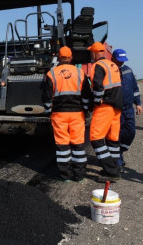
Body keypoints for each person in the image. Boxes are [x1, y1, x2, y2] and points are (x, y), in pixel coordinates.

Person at [42, 46, 92, 183]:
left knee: (62, 145)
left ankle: (65, 175)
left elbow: (46, 96)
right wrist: (86, 110)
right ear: (70, 58)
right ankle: (80, 175)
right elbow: (86, 94)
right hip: (77, 113)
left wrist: (48, 112)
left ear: (59, 58)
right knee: (78, 144)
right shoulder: (80, 72)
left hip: (59, 114)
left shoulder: (51, 73)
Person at [87, 42, 122, 182]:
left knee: (96, 138)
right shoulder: (112, 65)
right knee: (112, 138)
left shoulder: (98, 66)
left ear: (94, 53)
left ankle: (111, 172)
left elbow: (98, 87)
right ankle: (114, 166)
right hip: (117, 106)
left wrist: (95, 102)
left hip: (105, 106)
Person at [111, 49, 143, 172]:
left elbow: (135, 88)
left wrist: (138, 103)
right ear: (113, 58)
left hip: (128, 108)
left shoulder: (128, 70)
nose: (121, 63)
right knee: (117, 135)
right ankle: (117, 159)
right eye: (119, 61)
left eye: (123, 61)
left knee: (131, 132)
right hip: (116, 109)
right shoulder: (110, 70)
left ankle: (120, 152)